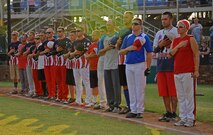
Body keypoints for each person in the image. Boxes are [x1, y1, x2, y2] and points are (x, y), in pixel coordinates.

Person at [119, 18, 152, 118]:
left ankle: (140, 110)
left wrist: (148, 67)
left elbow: (149, 53)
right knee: (131, 88)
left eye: (136, 24)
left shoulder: (144, 37)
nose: (133, 25)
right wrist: (131, 48)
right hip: (128, 64)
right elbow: (121, 51)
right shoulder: (128, 37)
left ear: (141, 26)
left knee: (140, 88)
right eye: (133, 24)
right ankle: (133, 109)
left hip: (140, 64)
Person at [170, 19, 199, 127]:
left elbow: (196, 54)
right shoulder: (176, 40)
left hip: (188, 71)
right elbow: (171, 54)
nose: (178, 28)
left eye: (181, 26)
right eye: (178, 26)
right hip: (177, 71)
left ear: (186, 28)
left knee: (189, 96)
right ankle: (183, 117)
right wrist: (179, 46)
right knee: (181, 96)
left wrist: (196, 70)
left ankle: (190, 118)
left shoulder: (190, 39)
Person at [153, 11, 178, 122]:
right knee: (164, 92)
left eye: (165, 19)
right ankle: (168, 112)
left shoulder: (176, 31)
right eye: (162, 19)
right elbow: (154, 49)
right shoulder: (159, 33)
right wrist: (161, 45)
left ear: (171, 19)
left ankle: (174, 113)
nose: (163, 21)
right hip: (161, 64)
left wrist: (171, 43)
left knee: (173, 91)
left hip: (172, 65)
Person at [99, 20, 121, 113]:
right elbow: (99, 52)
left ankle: (117, 104)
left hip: (115, 63)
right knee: (108, 85)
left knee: (116, 85)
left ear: (114, 25)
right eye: (107, 25)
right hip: (106, 64)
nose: (108, 26)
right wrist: (107, 48)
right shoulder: (103, 37)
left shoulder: (117, 36)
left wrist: (116, 45)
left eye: (110, 25)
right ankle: (110, 104)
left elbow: (120, 48)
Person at [116, 11, 134, 114]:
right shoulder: (121, 30)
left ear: (131, 18)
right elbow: (117, 47)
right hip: (120, 60)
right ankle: (128, 105)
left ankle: (134, 106)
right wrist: (117, 44)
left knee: (131, 84)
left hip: (129, 60)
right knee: (124, 84)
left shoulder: (133, 30)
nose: (124, 19)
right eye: (124, 17)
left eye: (126, 17)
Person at [69, 26, 92, 107]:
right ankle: (78, 100)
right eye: (76, 31)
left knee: (86, 81)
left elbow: (86, 51)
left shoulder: (87, 41)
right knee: (77, 82)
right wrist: (74, 53)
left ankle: (88, 100)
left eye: (79, 31)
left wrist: (75, 53)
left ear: (83, 31)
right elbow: (71, 53)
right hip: (75, 63)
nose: (77, 32)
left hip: (84, 63)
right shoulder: (75, 42)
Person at [39, 28, 57, 100]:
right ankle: (50, 94)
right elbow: (39, 52)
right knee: (48, 79)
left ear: (53, 33)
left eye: (49, 32)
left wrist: (49, 51)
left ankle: (54, 94)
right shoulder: (44, 42)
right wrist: (44, 51)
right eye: (47, 33)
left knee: (53, 79)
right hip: (46, 62)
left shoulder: (56, 41)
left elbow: (57, 50)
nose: (48, 34)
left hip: (53, 62)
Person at [85, 30, 100, 107]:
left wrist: (89, 56)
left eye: (94, 35)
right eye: (92, 35)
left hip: (97, 67)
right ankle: (94, 100)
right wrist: (89, 55)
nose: (92, 37)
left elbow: (95, 54)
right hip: (91, 67)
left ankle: (98, 100)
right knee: (93, 84)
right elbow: (87, 53)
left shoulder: (99, 44)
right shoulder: (91, 45)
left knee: (97, 84)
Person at [55, 26, 70, 102]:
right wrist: (57, 50)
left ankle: (65, 96)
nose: (59, 33)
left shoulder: (67, 40)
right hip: (57, 63)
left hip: (64, 63)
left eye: (60, 31)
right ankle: (59, 96)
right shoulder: (56, 41)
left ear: (63, 32)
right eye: (58, 31)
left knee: (64, 80)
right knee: (58, 80)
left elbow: (69, 50)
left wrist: (62, 49)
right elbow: (54, 51)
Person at [63, 29, 76, 104]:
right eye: (70, 35)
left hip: (76, 64)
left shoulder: (77, 43)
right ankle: (72, 97)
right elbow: (64, 56)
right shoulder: (68, 44)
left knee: (77, 81)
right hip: (69, 65)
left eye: (72, 35)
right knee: (70, 81)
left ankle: (78, 96)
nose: (71, 37)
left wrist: (70, 53)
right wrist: (69, 53)